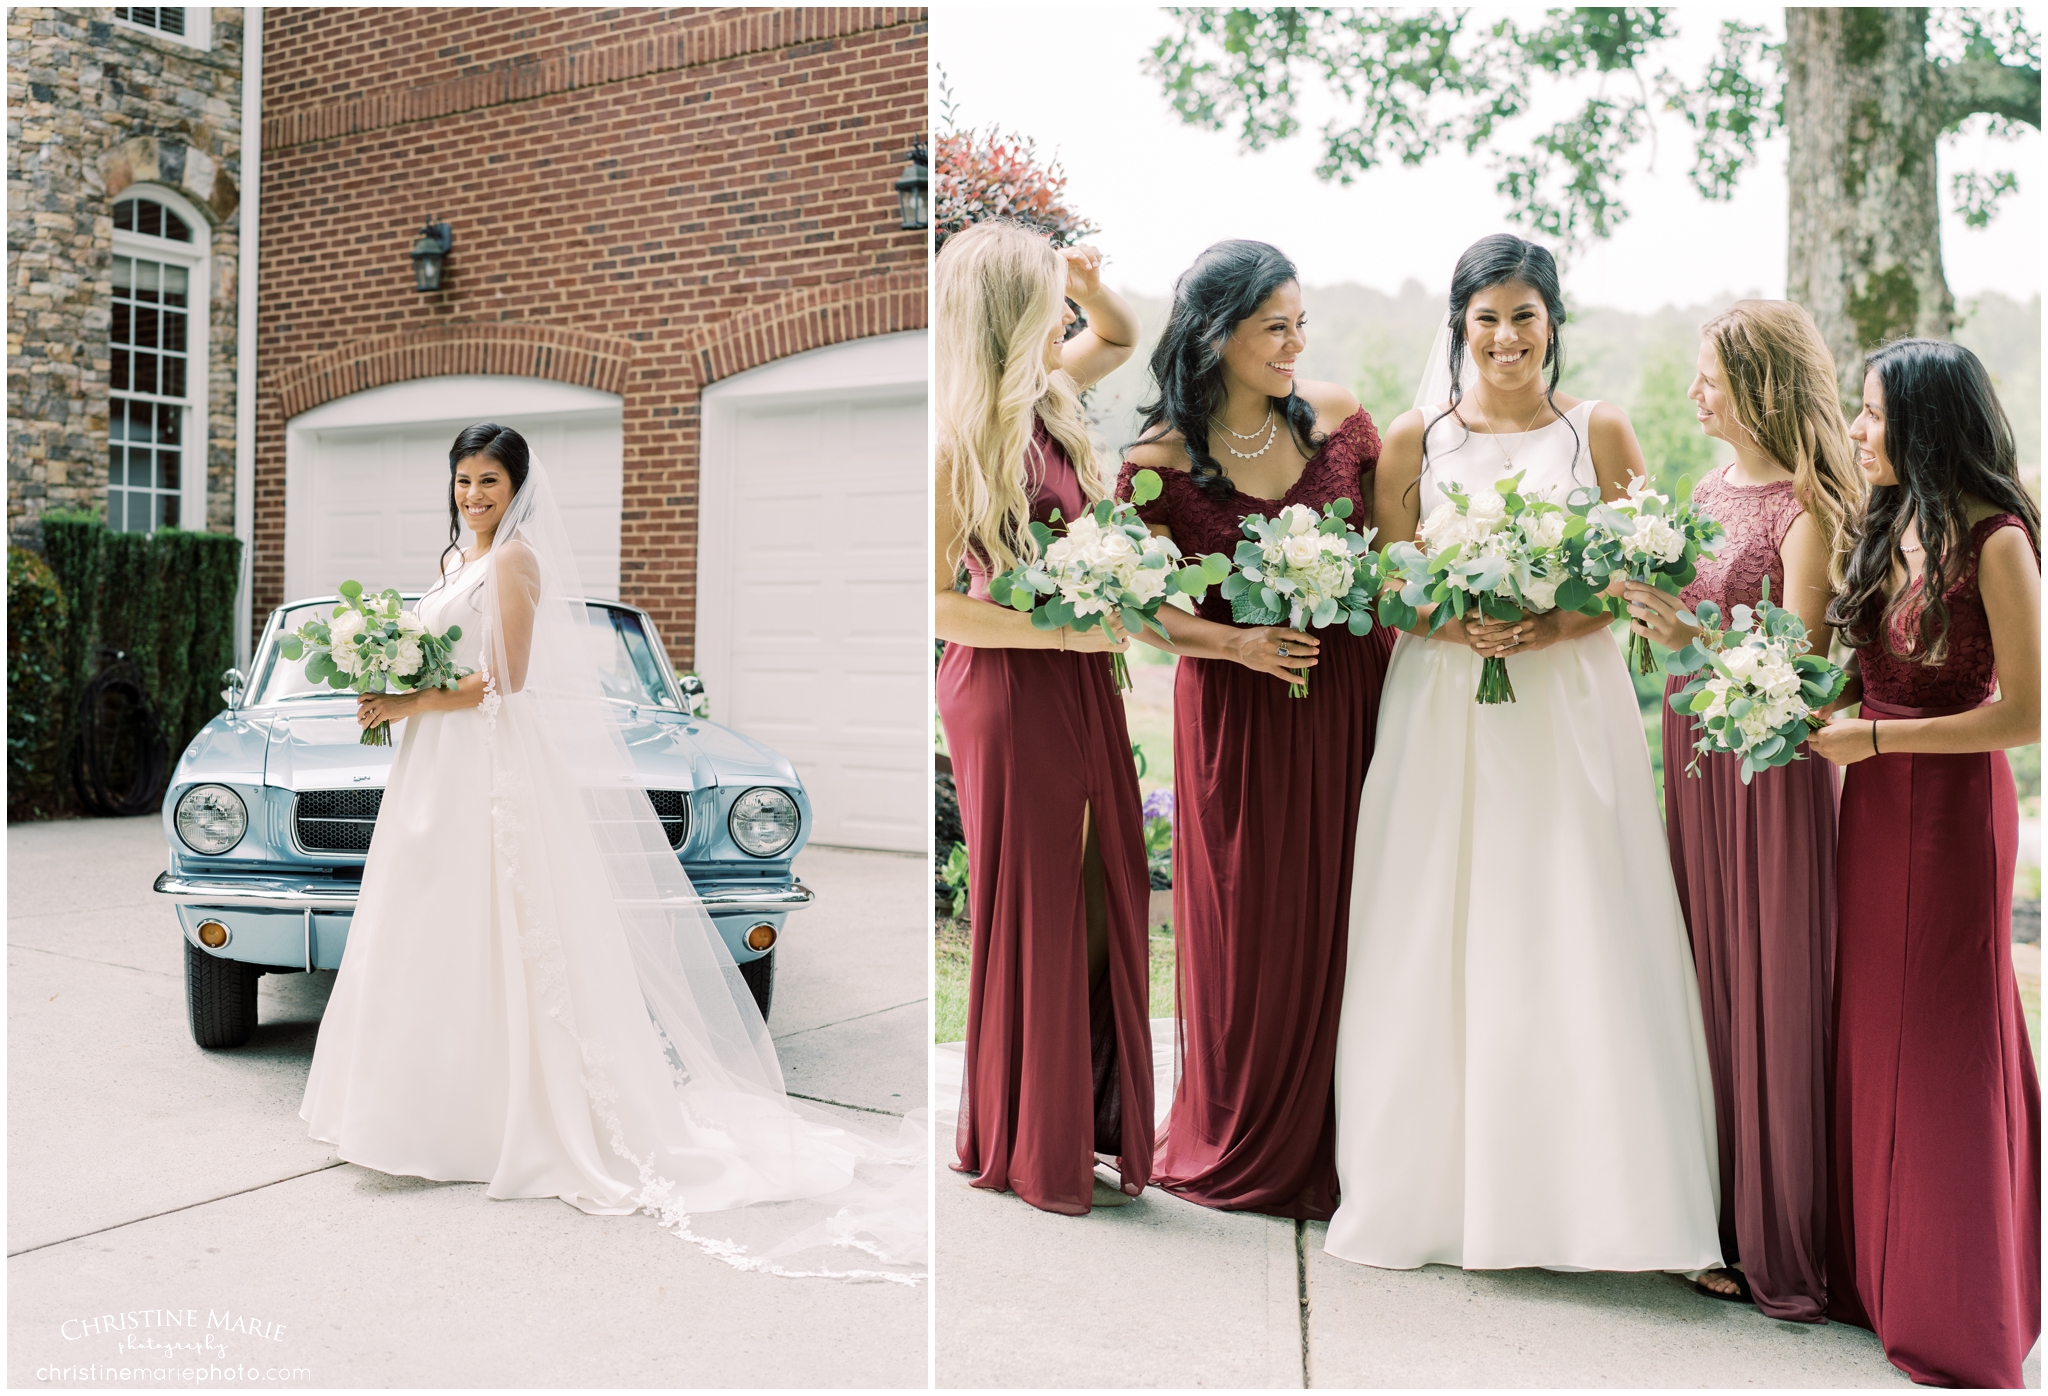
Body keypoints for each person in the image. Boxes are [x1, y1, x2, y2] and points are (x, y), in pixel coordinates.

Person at [303, 423, 922, 1281]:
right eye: (462, 480)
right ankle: (413, 1112)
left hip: (483, 764)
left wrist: (406, 705)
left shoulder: (515, 561)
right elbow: (445, 662)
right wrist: (397, 686)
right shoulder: (453, 562)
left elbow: (506, 679)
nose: (473, 495)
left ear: (516, 487)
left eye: (488, 481)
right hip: (431, 769)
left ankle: (511, 1120)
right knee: (427, 926)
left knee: (496, 924)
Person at [1326, 234, 1721, 1273]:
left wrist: (1553, 625)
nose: (1504, 338)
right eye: (1484, 318)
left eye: (1523, 317)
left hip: (1563, 700)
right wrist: (1450, 624)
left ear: (1553, 323)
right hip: (1442, 703)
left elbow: (1640, 578)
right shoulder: (1414, 440)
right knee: (1438, 920)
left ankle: (1607, 1201)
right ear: (1457, 326)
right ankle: (1439, 1193)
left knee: (1573, 913)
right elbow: (1383, 587)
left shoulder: (1598, 431)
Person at [1118, 239, 1394, 1219]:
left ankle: (1353, 1133)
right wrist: (1233, 648)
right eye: (1271, 325)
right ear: (1215, 333)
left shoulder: (1344, 419)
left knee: (1351, 914)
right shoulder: (1152, 467)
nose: (1292, 342)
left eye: (1297, 322)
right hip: (1240, 714)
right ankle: (1242, 1129)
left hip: (1353, 695)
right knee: (1251, 921)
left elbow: (1390, 557)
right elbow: (1135, 610)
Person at [1621, 300, 1865, 1316]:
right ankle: (1704, 1209)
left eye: (1710, 378)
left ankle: (1778, 1230)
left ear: (1760, 384)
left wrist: (1684, 632)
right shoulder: (1706, 487)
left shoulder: (1806, 510)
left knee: (1768, 976)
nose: (1693, 394)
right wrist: (1649, 620)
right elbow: (1690, 629)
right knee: (1702, 976)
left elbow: (1801, 676)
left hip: (1767, 772)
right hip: (1693, 754)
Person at [1808, 338, 2040, 1388]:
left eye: (1869, 414)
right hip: (1871, 805)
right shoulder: (1882, 522)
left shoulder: (1996, 538)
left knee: (1945, 1039)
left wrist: (1875, 741)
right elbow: (1841, 675)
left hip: (1949, 806)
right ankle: (1879, 1276)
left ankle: (1957, 1308)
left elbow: (2025, 715)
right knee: (1873, 1032)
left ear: (1926, 422)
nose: (1855, 432)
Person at [933, 220, 1154, 1215]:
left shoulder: (1047, 398)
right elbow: (931, 604)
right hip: (1011, 686)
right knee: (1043, 906)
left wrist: (1090, 281)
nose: (1063, 311)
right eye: (1045, 294)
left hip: (1078, 679)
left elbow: (1117, 336)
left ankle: (1084, 1112)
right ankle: (1031, 1133)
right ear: (1008, 311)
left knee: (1106, 892)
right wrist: (1069, 637)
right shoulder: (957, 437)